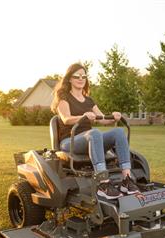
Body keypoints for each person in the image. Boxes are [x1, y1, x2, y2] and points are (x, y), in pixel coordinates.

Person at [50, 63, 140, 199]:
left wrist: (114, 117)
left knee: (119, 132)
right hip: (70, 142)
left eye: (83, 76)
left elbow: (102, 119)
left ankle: (126, 180)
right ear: (69, 79)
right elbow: (65, 119)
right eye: (76, 76)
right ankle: (103, 183)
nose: (81, 79)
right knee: (94, 133)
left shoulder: (89, 100)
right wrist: (84, 116)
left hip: (90, 140)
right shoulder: (64, 98)